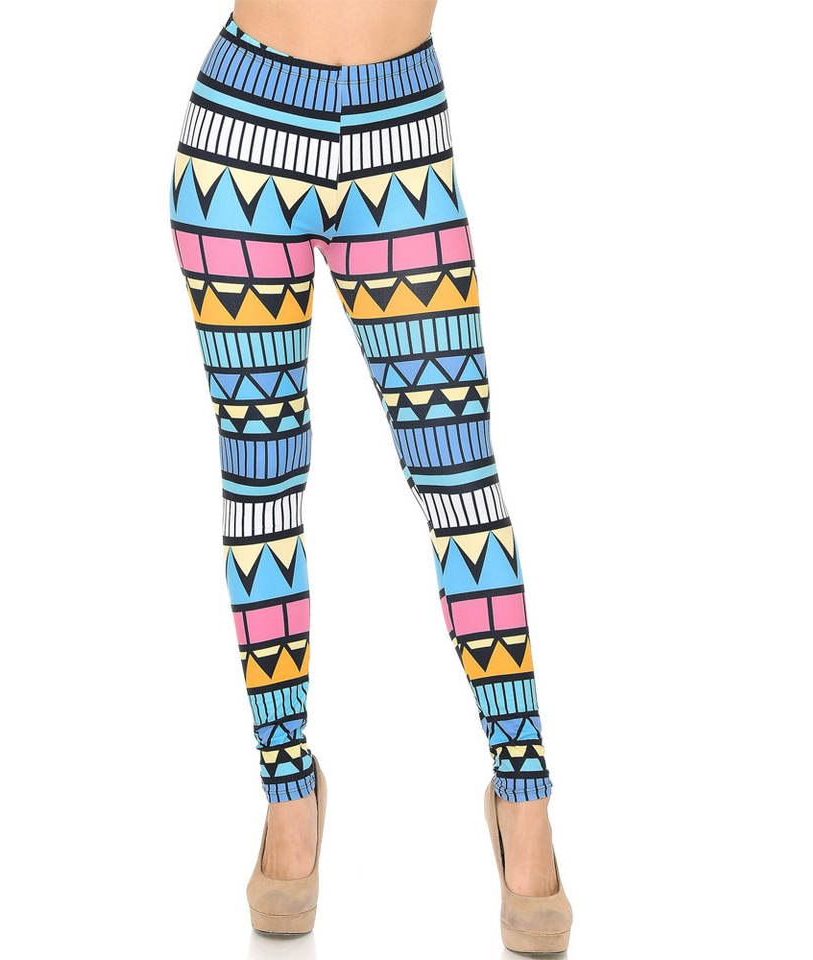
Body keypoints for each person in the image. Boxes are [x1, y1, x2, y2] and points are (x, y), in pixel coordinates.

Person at [168, 2, 572, 950]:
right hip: (241, 133)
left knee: (461, 484)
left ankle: (524, 804)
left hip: (403, 137)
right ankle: (288, 802)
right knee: (261, 492)